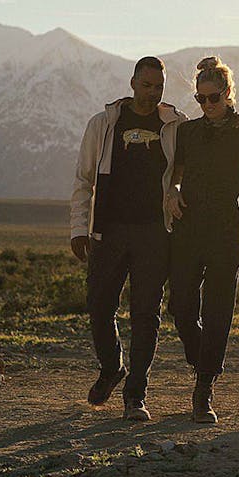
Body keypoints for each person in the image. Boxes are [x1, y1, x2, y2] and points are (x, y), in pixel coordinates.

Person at [69, 56, 186, 421]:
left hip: (155, 233)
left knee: (146, 315)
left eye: (158, 87)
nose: (152, 93)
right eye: (146, 85)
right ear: (133, 83)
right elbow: (84, 178)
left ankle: (136, 395)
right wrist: (78, 228)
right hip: (110, 230)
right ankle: (111, 367)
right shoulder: (104, 125)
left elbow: (188, 173)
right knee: (100, 307)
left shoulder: (175, 126)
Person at [166, 55, 239, 424]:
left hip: (226, 232)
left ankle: (204, 389)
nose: (207, 105)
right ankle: (205, 361)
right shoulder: (189, 133)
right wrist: (172, 193)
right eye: (201, 99)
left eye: (213, 98)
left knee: (217, 313)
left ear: (228, 93)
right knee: (181, 305)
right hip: (189, 228)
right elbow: (176, 175)